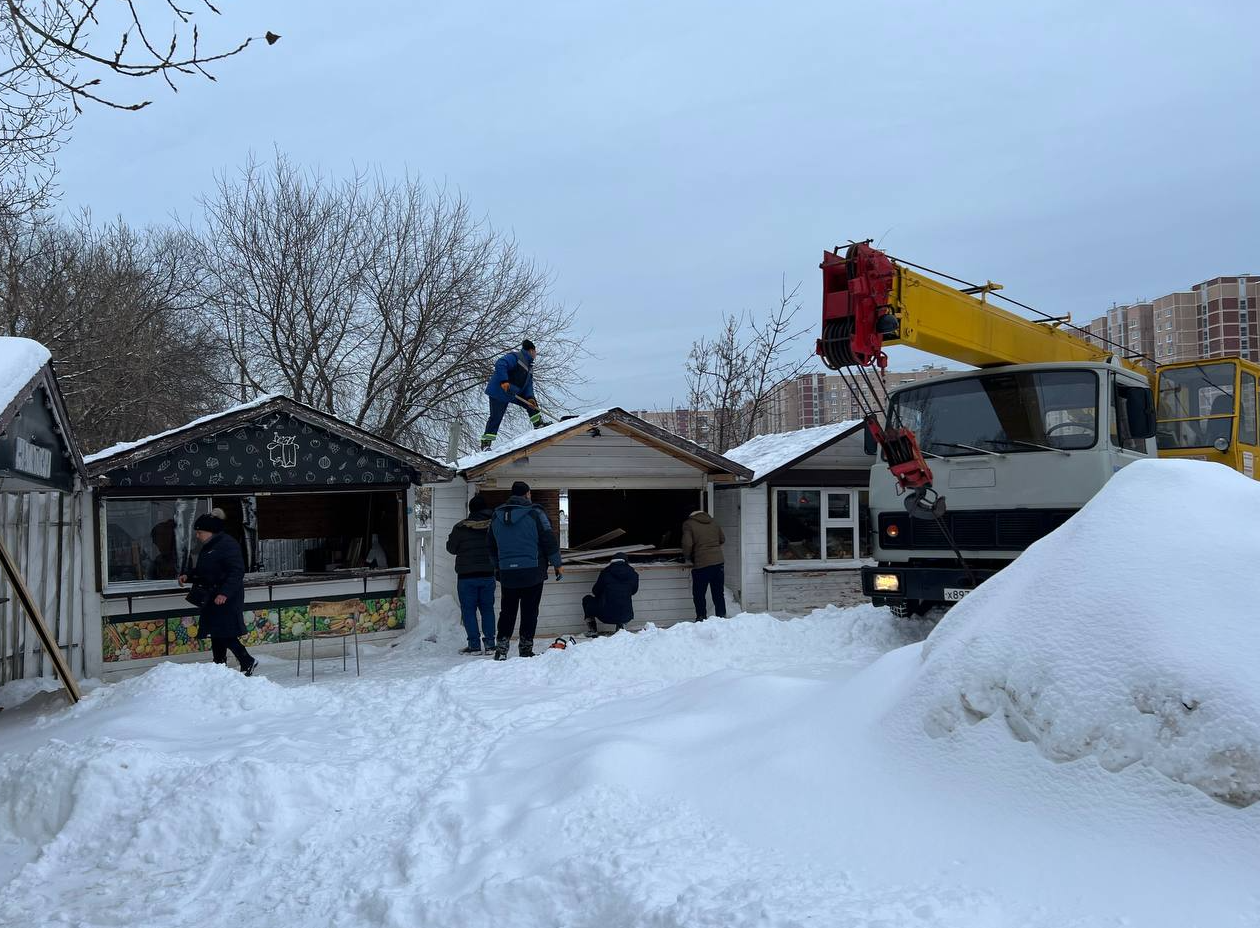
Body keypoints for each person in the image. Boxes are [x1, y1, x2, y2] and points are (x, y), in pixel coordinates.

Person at [487, 480, 563, 659]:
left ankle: (501, 649)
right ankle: (526, 649)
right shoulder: (536, 513)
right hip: (533, 571)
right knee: (530, 611)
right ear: (527, 494)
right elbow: (549, 540)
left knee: (507, 611)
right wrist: (557, 564)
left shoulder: (497, 516)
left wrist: (497, 567)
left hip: (507, 572)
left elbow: (490, 545)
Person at [179, 511, 257, 675]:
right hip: (212, 597)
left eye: (200, 532)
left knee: (225, 632)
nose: (198, 536)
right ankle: (219, 666)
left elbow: (236, 572)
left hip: (226, 598)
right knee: (216, 632)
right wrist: (189, 576)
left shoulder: (227, 545)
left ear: (211, 531)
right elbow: (204, 570)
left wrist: (224, 593)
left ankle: (247, 660)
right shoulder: (209, 547)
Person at [445, 494, 497, 654]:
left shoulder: (460, 527)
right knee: (487, 609)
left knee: (469, 611)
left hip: (466, 577)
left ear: (470, 509)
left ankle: (474, 645)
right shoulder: (493, 526)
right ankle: (490, 644)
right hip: (488, 574)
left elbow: (451, 549)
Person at [481, 339, 551, 451]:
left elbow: (528, 385)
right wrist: (504, 380)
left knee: (531, 404)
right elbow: (500, 363)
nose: (536, 355)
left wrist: (530, 397)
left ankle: (538, 424)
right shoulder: (515, 357)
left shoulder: (529, 367)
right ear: (531, 351)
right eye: (535, 352)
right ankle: (486, 443)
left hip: (514, 392)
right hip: (500, 391)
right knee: (496, 417)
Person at [681, 509, 726, 622]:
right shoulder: (714, 522)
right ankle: (722, 617)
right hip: (718, 563)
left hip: (702, 564)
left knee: (699, 593)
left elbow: (687, 543)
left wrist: (687, 557)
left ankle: (701, 618)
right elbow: (722, 539)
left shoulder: (688, 524)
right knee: (718, 593)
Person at [582, 553, 639, 637]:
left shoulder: (605, 572)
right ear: (625, 561)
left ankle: (592, 630)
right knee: (622, 600)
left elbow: (595, 591)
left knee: (587, 599)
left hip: (605, 615)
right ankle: (620, 626)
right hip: (626, 615)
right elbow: (633, 591)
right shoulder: (633, 574)